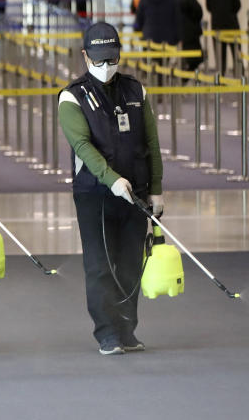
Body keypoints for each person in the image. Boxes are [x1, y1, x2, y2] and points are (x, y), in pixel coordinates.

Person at [58, 22, 164, 355]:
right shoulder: (71, 96)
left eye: (112, 59)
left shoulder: (136, 90)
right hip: (95, 193)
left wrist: (156, 189)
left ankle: (126, 328)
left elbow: (151, 142)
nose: (107, 67)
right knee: (100, 263)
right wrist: (111, 178)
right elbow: (82, 145)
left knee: (131, 261)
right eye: (100, 60)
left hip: (136, 192)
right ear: (85, 56)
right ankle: (106, 330)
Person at [205, 0, 241, 75]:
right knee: (236, 53)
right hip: (232, 25)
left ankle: (220, 78)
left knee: (220, 55)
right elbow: (237, 6)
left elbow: (208, 7)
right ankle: (240, 77)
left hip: (217, 26)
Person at [172, 0, 204, 71]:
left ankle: (180, 78)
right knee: (196, 58)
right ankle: (184, 78)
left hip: (174, 32)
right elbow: (198, 12)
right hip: (190, 32)